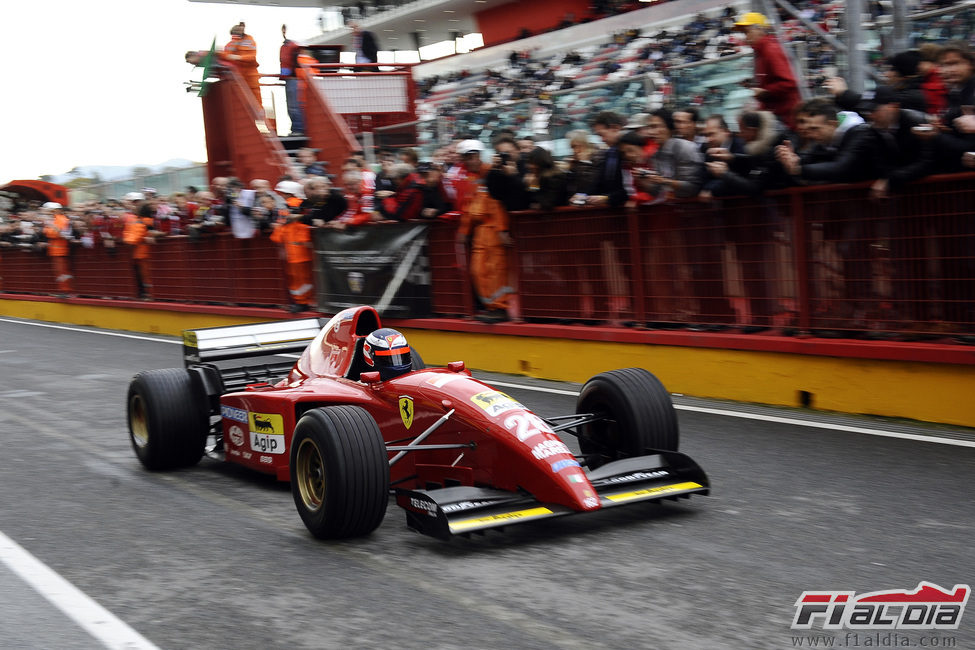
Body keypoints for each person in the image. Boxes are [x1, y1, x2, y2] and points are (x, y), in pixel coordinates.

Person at [454, 139, 514, 322]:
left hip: (493, 229)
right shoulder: (472, 179)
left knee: (495, 270)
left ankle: (500, 308)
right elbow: (468, 207)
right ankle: (491, 306)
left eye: (470, 158)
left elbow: (497, 206)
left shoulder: (490, 175)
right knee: (478, 270)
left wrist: (502, 230)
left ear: (477, 156)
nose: (468, 162)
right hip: (481, 231)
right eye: (466, 158)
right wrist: (464, 230)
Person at [734, 12, 801, 129]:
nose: (746, 37)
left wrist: (765, 92)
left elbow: (790, 83)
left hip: (786, 118)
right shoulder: (761, 52)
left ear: (759, 29)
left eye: (747, 32)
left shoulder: (770, 50)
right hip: (778, 115)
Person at [269, 198, 314, 313]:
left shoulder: (301, 223)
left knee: (303, 281)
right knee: (297, 281)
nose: (284, 212)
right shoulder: (287, 225)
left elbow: (305, 240)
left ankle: (303, 302)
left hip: (302, 258)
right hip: (293, 258)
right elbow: (276, 238)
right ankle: (300, 302)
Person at [220, 22, 262, 109]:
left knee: (256, 103)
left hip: (250, 76)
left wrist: (237, 57)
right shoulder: (229, 45)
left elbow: (251, 57)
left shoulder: (249, 41)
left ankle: (260, 117)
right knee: (240, 104)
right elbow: (225, 57)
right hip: (238, 78)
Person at [41, 202, 74, 296]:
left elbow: (55, 233)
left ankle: (65, 291)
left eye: (48, 210)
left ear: (54, 210)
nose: (46, 212)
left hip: (60, 250)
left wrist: (49, 229)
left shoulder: (61, 219)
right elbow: (47, 232)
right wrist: (49, 230)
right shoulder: (55, 219)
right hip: (56, 250)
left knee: (62, 272)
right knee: (60, 272)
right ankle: (63, 290)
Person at [280, 25, 303, 135]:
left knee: (294, 105)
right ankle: (296, 128)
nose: (283, 32)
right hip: (289, 78)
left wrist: (293, 74)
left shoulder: (293, 46)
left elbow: (297, 63)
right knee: (291, 105)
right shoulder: (285, 47)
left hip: (293, 78)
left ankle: (298, 129)